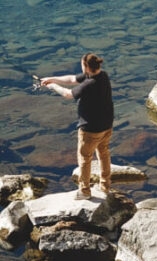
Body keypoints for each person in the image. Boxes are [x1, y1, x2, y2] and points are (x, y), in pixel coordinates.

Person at [41, 53, 114, 198]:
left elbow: (68, 94)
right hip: (106, 125)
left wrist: (53, 87)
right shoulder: (102, 75)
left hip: (90, 130)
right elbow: (72, 79)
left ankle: (84, 191)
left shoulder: (89, 84)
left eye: (82, 64)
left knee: (85, 159)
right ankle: (105, 186)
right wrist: (52, 79)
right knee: (104, 153)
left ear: (86, 67)